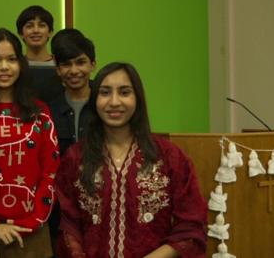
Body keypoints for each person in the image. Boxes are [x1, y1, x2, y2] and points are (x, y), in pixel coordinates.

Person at [55, 62, 207, 258]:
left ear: (138, 99)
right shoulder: (76, 157)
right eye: (105, 92)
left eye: (124, 92)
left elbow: (191, 228)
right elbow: (68, 225)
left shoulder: (169, 156)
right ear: (95, 99)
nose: (114, 102)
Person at [0, 28, 60, 258]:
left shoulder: (40, 112)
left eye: (12, 59)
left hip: (34, 232)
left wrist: (34, 220)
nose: (4, 67)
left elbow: (51, 171)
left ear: (21, 64)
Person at [47, 28, 96, 255]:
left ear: (92, 64)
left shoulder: (107, 103)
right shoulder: (48, 110)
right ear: (57, 69)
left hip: (102, 206)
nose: (74, 70)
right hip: (61, 212)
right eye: (66, 64)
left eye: (81, 62)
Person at [16, 5, 63, 104]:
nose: (36, 30)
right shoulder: (16, 66)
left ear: (50, 32)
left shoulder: (61, 66)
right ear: (21, 33)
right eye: (29, 26)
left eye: (41, 25)